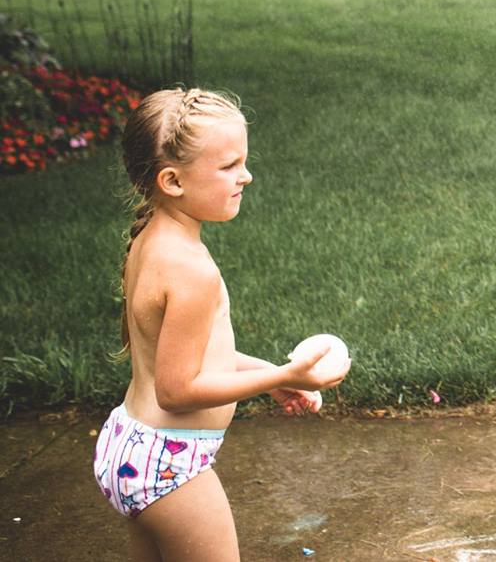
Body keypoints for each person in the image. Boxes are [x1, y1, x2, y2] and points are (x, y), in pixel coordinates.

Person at [93, 88, 347, 559]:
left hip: (131, 448)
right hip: (171, 465)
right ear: (172, 181)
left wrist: (263, 375)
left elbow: (191, 355)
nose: (246, 177)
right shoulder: (193, 270)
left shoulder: (151, 240)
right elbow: (177, 390)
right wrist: (288, 374)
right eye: (228, 166)